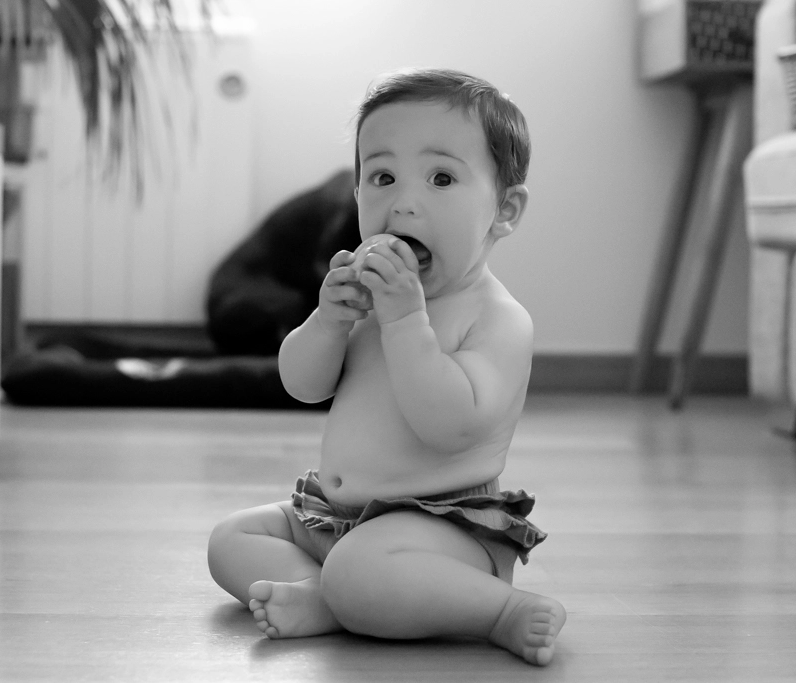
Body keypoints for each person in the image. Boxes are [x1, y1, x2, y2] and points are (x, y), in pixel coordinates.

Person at [207, 68, 566, 666]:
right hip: (335, 515)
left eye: (441, 178)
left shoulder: (498, 319)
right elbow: (303, 384)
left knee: (364, 568)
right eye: (382, 177)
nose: (403, 201)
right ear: (357, 195)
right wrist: (326, 323)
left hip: (439, 528)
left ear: (504, 210)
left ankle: (498, 611)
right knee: (231, 540)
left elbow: (450, 425)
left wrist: (404, 325)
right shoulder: (370, 297)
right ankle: (328, 598)